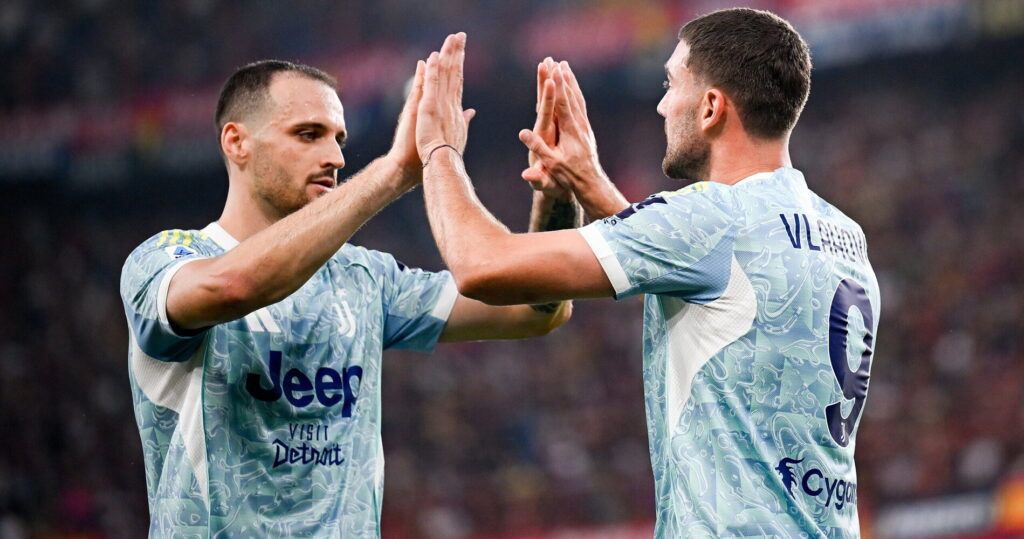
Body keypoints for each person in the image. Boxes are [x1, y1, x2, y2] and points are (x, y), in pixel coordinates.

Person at [416, 8, 880, 537]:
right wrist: (588, 182)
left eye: (670, 83)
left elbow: (480, 266)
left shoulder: (710, 217)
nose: (661, 104)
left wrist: (438, 149)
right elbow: (712, 290)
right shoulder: (843, 234)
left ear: (711, 107)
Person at [119, 59, 578, 537]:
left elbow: (536, 310)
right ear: (237, 142)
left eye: (338, 139)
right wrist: (393, 172)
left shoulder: (365, 278)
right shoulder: (165, 260)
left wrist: (560, 196)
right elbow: (233, 286)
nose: (336, 157)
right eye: (308, 134)